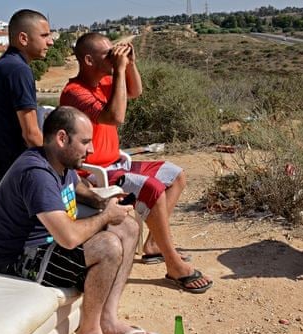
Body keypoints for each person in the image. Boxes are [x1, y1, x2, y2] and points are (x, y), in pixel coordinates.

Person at [0, 106, 160, 334]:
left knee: (129, 228)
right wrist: (105, 216)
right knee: (108, 246)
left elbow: (75, 185)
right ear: (62, 138)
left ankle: (107, 321)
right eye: (85, 142)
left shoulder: (59, 161)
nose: (91, 150)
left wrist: (101, 201)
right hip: (13, 259)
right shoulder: (37, 173)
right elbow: (68, 238)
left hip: (44, 247)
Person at [60, 32, 212, 294]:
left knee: (175, 175)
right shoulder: (74, 93)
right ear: (87, 60)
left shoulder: (106, 80)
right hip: (94, 172)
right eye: (107, 54)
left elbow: (135, 91)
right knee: (151, 187)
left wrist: (130, 64)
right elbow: (116, 117)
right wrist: (119, 69)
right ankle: (174, 264)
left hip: (116, 164)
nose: (113, 57)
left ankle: (154, 245)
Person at [0, 9, 53, 180]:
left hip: (9, 170)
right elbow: (31, 135)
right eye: (44, 36)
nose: (51, 42)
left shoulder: (2, 66)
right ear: (23, 39)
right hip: (21, 173)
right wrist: (57, 165)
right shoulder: (19, 70)